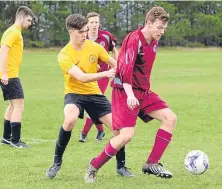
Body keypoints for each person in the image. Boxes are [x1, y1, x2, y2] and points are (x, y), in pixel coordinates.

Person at [84, 6, 177, 183]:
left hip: (142, 91)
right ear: (148, 23)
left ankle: (151, 163)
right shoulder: (135, 39)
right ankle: (94, 166)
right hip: (124, 92)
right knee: (125, 136)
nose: (162, 31)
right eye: (159, 27)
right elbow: (124, 69)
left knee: (170, 118)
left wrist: (140, 91)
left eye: (164, 28)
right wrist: (130, 95)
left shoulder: (154, 40)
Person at [46, 14, 133, 179]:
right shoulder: (64, 55)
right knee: (70, 119)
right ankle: (57, 162)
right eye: (80, 32)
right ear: (71, 32)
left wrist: (127, 71)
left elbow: (116, 63)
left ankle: (121, 167)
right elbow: (82, 77)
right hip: (74, 93)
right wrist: (106, 73)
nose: (84, 35)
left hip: (94, 93)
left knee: (119, 130)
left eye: (86, 31)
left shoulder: (94, 47)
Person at [0, 6, 34, 148]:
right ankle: (15, 141)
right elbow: (4, 51)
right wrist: (5, 72)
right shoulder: (14, 32)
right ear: (21, 17)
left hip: (8, 74)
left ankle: (6, 138)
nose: (30, 23)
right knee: (19, 105)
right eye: (28, 20)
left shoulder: (12, 31)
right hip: (9, 75)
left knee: (12, 106)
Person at [79, 12, 119, 143]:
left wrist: (117, 66)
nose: (94, 25)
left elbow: (114, 50)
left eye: (96, 22)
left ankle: (84, 133)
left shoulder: (106, 37)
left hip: (103, 75)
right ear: (87, 24)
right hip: (87, 75)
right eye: (91, 22)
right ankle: (100, 130)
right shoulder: (82, 37)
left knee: (93, 101)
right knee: (90, 103)